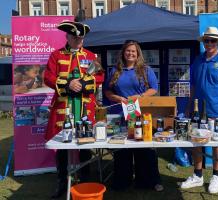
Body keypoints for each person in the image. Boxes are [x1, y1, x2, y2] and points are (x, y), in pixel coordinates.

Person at [44, 21, 104, 198]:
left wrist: (84, 83)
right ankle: (62, 182)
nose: (77, 41)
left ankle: (85, 181)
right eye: (74, 37)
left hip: (85, 107)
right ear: (67, 37)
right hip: (64, 107)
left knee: (85, 146)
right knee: (62, 148)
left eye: (80, 38)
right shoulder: (56, 55)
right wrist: (68, 84)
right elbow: (48, 77)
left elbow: (100, 75)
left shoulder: (91, 56)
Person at [181, 27, 218, 194]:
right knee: (196, 143)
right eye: (207, 40)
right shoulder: (197, 60)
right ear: (203, 42)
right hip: (198, 112)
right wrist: (189, 105)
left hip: (217, 111)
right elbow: (192, 85)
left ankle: (215, 176)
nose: (210, 43)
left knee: (216, 144)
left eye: (213, 40)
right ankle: (198, 175)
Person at [104, 40, 163, 192]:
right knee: (122, 148)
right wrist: (118, 98)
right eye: (128, 51)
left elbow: (154, 89)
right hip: (120, 113)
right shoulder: (115, 70)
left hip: (140, 113)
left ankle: (147, 181)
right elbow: (107, 91)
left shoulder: (145, 70)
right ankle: (123, 180)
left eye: (134, 51)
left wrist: (141, 96)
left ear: (138, 54)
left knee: (144, 148)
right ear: (123, 53)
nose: (130, 53)